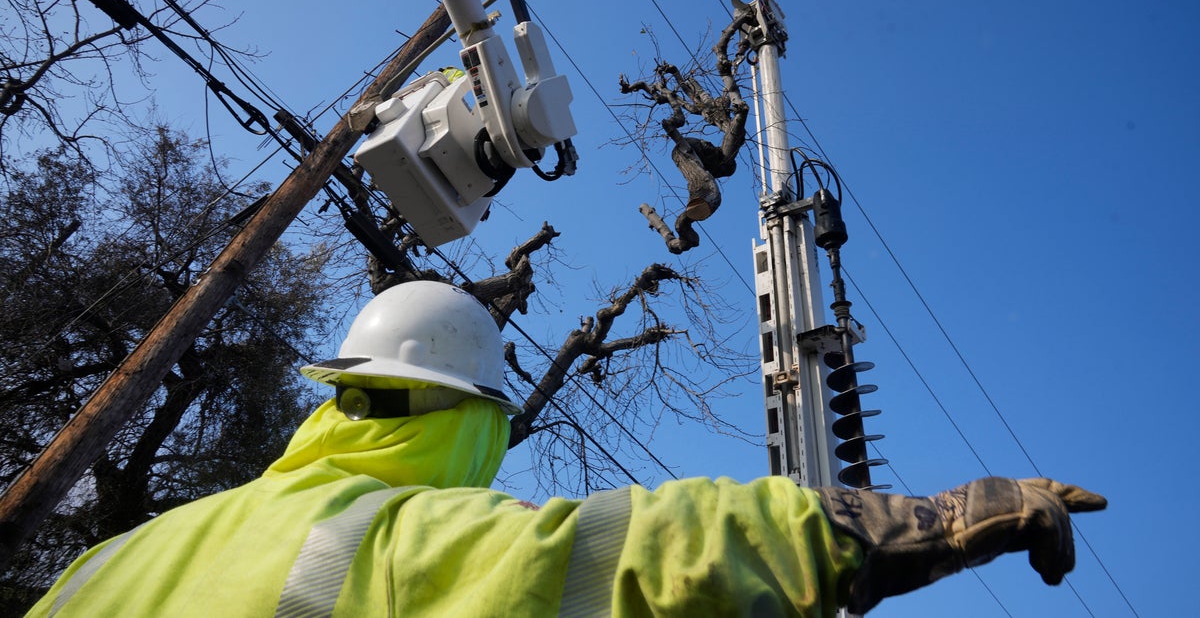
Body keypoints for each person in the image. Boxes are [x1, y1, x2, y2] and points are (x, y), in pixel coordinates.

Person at [28, 280, 1106, 617]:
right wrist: (929, 521)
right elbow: (644, 549)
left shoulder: (115, 559)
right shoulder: (394, 541)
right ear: (475, 421)